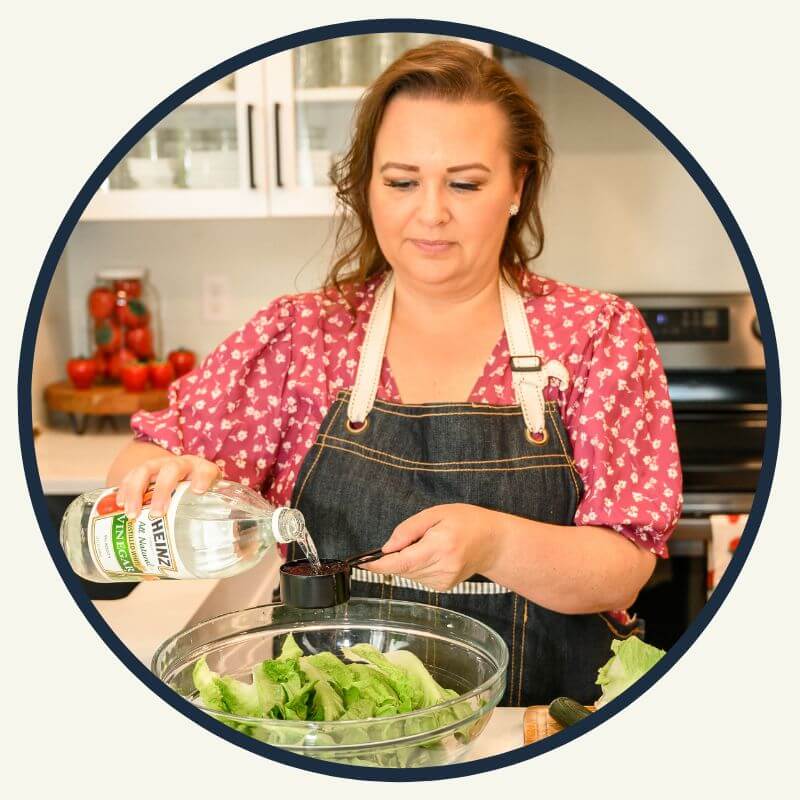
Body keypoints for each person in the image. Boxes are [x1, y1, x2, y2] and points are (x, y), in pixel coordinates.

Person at [109, 40, 682, 706]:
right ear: (366, 185)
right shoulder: (301, 335)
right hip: (339, 735)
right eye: (402, 181)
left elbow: (622, 571)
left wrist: (493, 543)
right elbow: (141, 462)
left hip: (541, 726)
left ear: (517, 186)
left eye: (465, 183)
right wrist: (161, 482)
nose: (430, 212)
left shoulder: (597, 335)